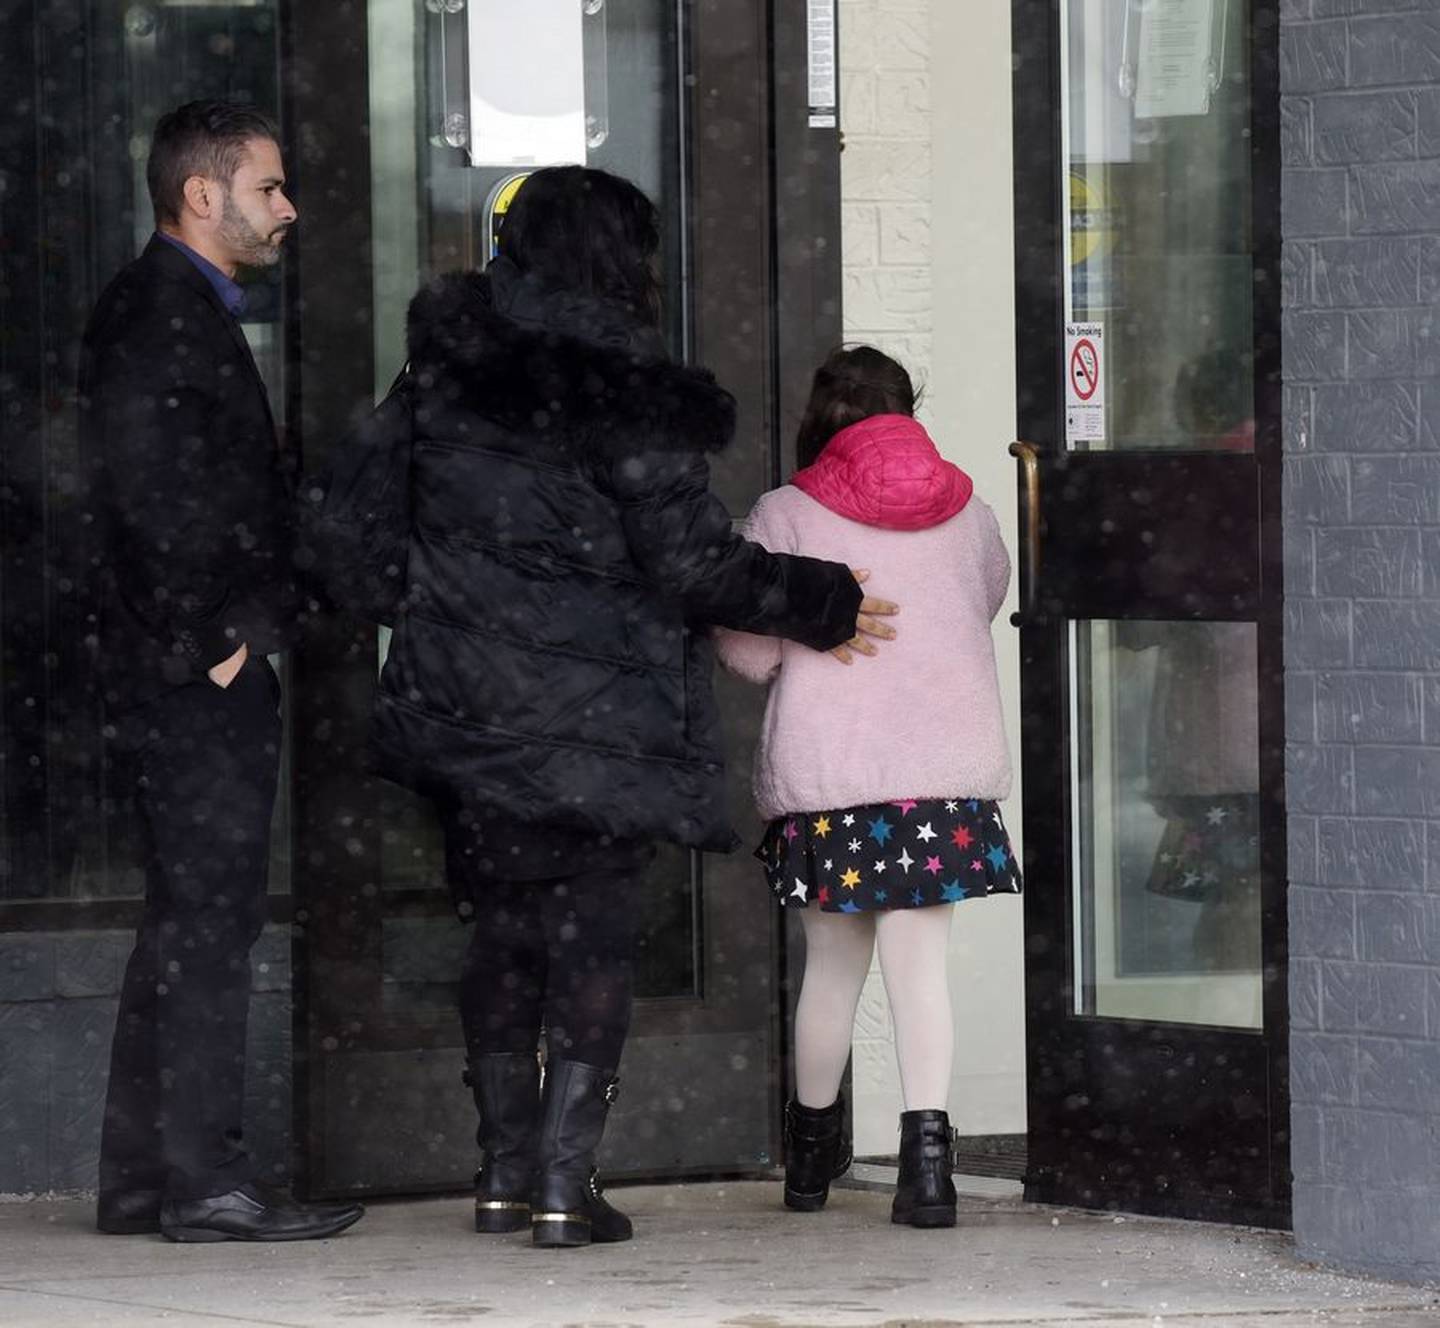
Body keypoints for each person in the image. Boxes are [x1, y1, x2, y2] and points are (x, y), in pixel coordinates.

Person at [365, 166, 896, 1249]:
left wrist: (452, 613)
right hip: (602, 725)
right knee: (593, 943)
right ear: (617, 260)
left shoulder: (441, 369)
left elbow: (356, 523)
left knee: (502, 934)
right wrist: (827, 598)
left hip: (470, 718)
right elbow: (694, 563)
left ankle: (506, 1174)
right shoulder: (623, 384)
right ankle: (566, 1185)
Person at [80, 100, 362, 1242]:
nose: (288, 208)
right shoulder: (163, 312)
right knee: (210, 922)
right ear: (204, 194)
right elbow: (146, 499)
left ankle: (148, 1176)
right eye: (269, 187)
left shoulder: (171, 306)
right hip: (192, 672)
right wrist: (216, 642)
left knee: (187, 919)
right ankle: (205, 1181)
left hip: (183, 664)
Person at [715, 345, 1020, 1229]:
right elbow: (984, 599)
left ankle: (810, 1162)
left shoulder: (785, 512)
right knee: (922, 974)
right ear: (906, 410)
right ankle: (928, 1175)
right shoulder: (969, 512)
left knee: (833, 972)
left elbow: (748, 649)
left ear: (821, 416)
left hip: (835, 776)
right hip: (942, 781)